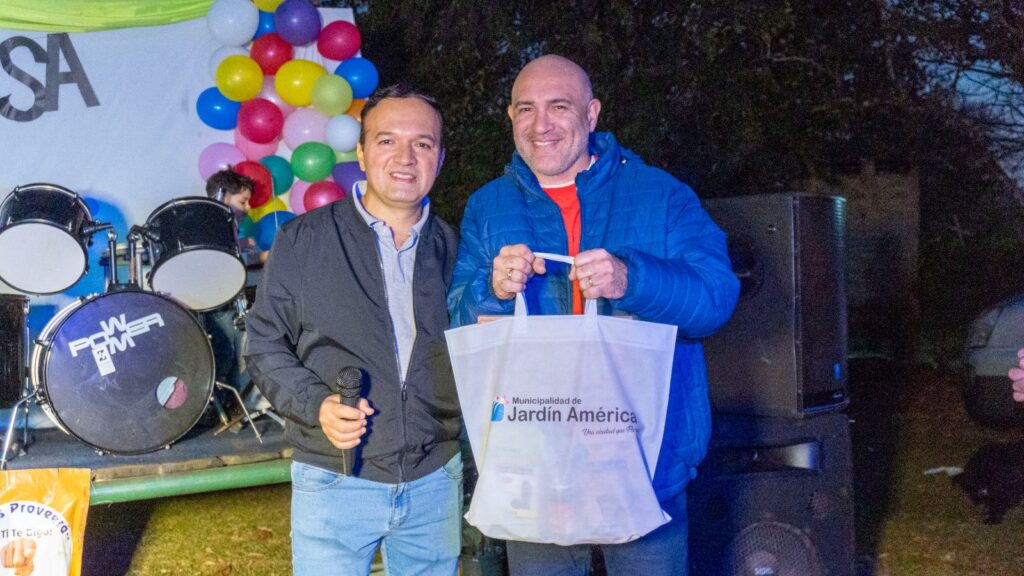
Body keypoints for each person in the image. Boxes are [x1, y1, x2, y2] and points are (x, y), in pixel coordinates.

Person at [447, 54, 739, 575]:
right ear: (510, 117)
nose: (541, 125)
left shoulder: (662, 194)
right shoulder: (487, 206)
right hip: (536, 466)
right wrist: (491, 289)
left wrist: (634, 280)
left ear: (593, 113)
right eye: (526, 109)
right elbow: (459, 320)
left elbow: (715, 301)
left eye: (559, 107)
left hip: (645, 465)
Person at [244, 84, 463, 576]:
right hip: (336, 480)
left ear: (440, 158)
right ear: (362, 153)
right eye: (387, 141)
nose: (405, 157)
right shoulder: (302, 240)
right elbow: (262, 345)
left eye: (423, 143)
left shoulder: (456, 249)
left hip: (434, 481)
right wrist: (315, 404)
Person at [200, 169, 257, 421]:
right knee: (226, 351)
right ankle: (225, 406)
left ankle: (233, 405)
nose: (248, 207)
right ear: (223, 197)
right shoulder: (212, 222)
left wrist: (246, 247)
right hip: (217, 297)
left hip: (226, 294)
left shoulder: (230, 226)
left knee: (232, 350)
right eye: (242, 201)